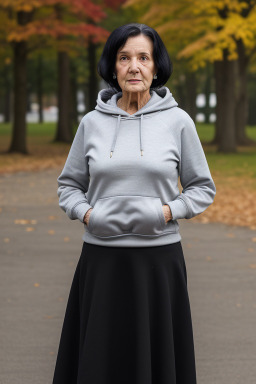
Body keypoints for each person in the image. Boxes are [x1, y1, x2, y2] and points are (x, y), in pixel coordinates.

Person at [52, 22, 216, 384]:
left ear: (156, 67)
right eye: (124, 58)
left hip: (159, 264)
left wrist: (166, 212)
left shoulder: (178, 122)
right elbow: (69, 186)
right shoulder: (91, 123)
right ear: (113, 66)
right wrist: (88, 214)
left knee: (156, 363)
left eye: (144, 57)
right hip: (101, 261)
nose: (134, 67)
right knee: (100, 361)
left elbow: (202, 188)